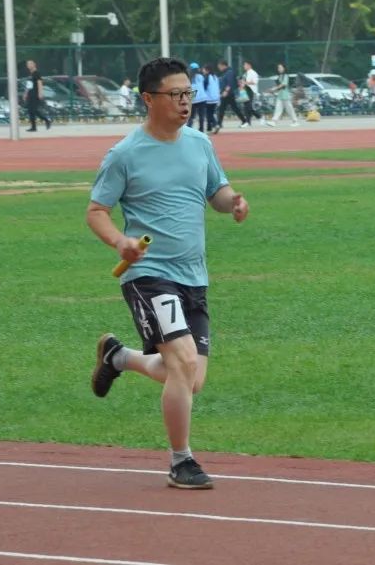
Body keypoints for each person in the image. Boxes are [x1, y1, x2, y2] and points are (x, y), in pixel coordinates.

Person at [87, 56, 250, 488]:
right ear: (148, 98)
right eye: (175, 94)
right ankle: (182, 461)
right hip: (149, 274)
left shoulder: (199, 143)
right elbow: (97, 211)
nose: (185, 102)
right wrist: (119, 241)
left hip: (194, 275)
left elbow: (217, 191)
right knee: (183, 361)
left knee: (191, 377)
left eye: (188, 93)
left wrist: (233, 202)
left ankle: (118, 357)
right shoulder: (125, 154)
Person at [215, 59, 246, 131]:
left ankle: (219, 123)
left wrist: (226, 91)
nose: (219, 68)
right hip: (227, 94)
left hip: (228, 94)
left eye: (219, 67)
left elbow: (230, 83)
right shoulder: (226, 72)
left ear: (223, 65)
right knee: (231, 108)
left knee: (222, 109)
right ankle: (244, 120)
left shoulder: (229, 72)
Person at [265, 62, 299, 127]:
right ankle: (274, 121)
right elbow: (279, 86)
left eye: (280, 68)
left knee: (289, 109)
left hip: (285, 95)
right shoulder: (280, 76)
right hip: (280, 95)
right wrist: (272, 90)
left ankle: (295, 121)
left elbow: (283, 85)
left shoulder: (285, 76)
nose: (279, 69)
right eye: (278, 68)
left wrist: (274, 89)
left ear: (284, 68)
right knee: (278, 108)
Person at [23, 59, 52, 131]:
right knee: (30, 110)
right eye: (28, 64)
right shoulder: (30, 74)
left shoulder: (37, 73)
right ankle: (33, 127)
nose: (29, 65)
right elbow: (29, 85)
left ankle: (46, 120)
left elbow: (39, 83)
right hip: (30, 93)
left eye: (30, 64)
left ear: (34, 64)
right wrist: (26, 93)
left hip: (35, 93)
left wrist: (40, 93)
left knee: (34, 110)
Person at [240, 61, 262, 126]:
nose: (244, 66)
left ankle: (260, 117)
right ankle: (248, 122)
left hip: (251, 91)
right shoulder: (245, 73)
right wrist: (241, 86)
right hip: (245, 91)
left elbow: (255, 82)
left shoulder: (253, 73)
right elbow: (243, 82)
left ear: (249, 65)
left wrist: (245, 83)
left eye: (245, 65)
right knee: (246, 107)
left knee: (249, 107)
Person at [201, 64, 221, 133]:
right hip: (215, 98)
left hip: (208, 98)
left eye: (203, 69)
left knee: (208, 114)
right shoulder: (215, 77)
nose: (203, 71)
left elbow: (204, 88)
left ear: (207, 70)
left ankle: (215, 125)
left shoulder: (207, 77)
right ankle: (210, 128)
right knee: (211, 113)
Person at [189, 62, 207, 131]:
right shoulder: (201, 77)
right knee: (201, 116)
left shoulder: (188, 78)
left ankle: (189, 128)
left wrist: (191, 100)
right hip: (202, 98)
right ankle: (201, 130)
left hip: (193, 99)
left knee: (191, 116)